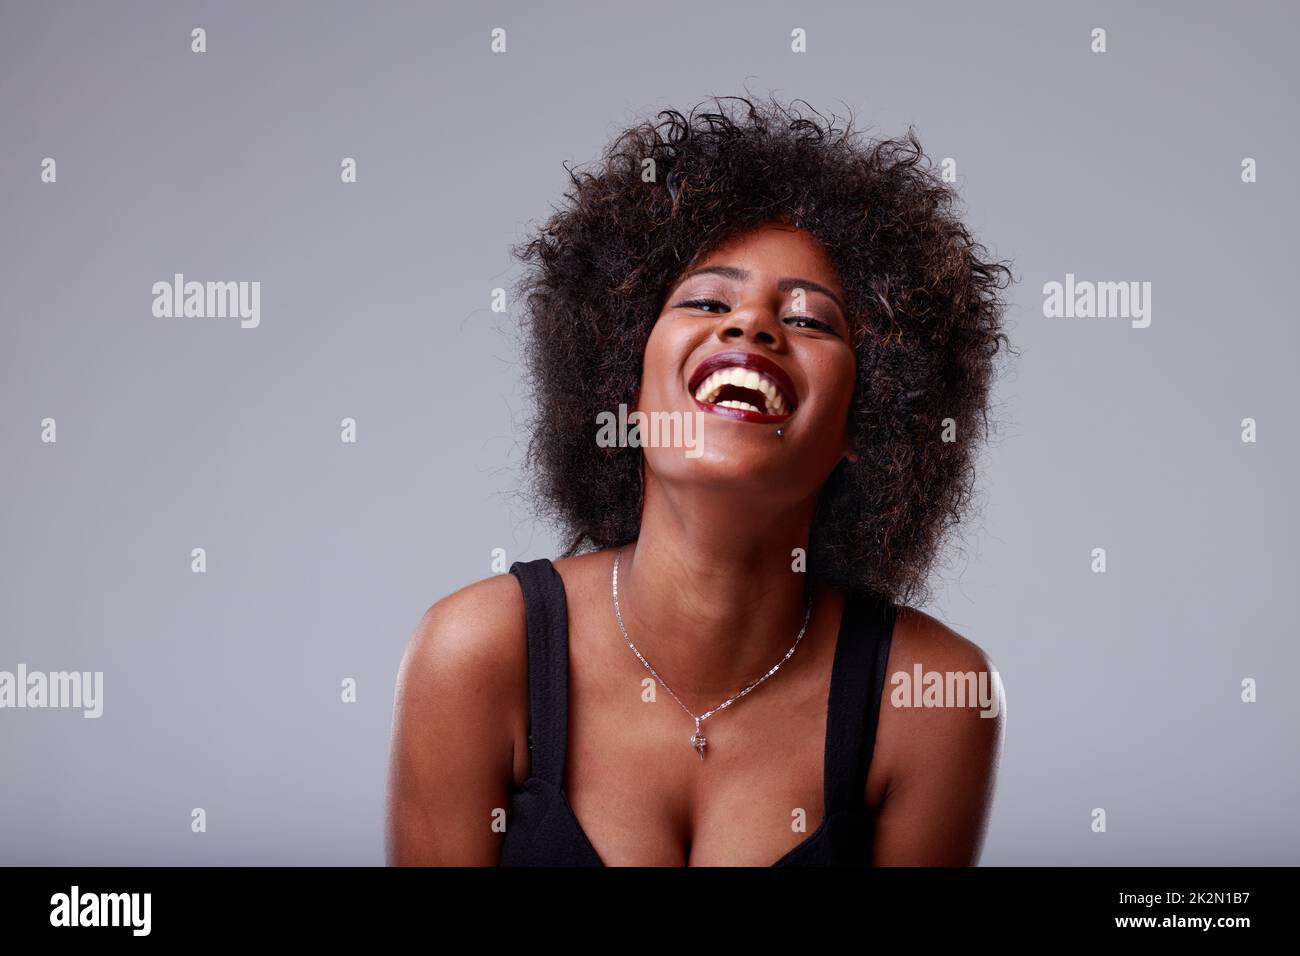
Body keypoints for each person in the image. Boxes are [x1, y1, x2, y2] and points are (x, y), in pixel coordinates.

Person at [386, 95, 1012, 866]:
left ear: (866, 424)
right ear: (625, 385)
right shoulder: (481, 655)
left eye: (811, 320)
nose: (751, 325)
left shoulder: (927, 696)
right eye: (708, 301)